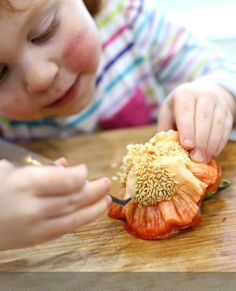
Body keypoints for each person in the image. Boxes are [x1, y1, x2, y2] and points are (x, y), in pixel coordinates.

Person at [0, 0, 235, 250]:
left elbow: (225, 70)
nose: (41, 78)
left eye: (45, 30)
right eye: (0, 73)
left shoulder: (132, 21)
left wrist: (218, 92)